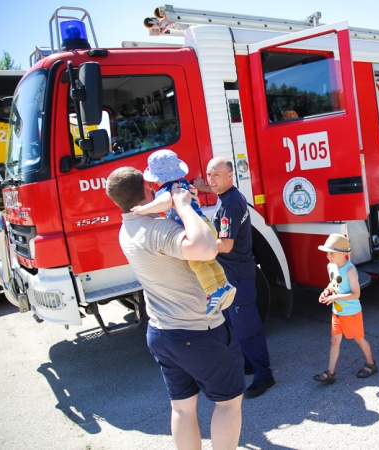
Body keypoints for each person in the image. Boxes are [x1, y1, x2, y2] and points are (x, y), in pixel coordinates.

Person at [106, 167, 244, 449]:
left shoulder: (127, 229)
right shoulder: (158, 230)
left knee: (182, 408)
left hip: (161, 332)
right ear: (147, 188)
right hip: (198, 332)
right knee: (228, 404)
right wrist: (183, 206)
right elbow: (206, 248)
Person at [195, 157, 276, 398]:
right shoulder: (230, 195)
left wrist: (199, 244)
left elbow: (226, 245)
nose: (212, 180)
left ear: (230, 176)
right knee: (233, 325)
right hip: (230, 275)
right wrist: (203, 187)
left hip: (237, 277)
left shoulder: (230, 205)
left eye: (216, 176)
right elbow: (217, 188)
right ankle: (249, 363)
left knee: (247, 329)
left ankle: (265, 376)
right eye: (209, 175)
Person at [132, 149, 236, 316]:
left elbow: (164, 203)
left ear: (155, 179)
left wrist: (144, 209)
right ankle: (224, 285)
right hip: (206, 224)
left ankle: (213, 292)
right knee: (210, 260)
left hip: (193, 229)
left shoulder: (167, 189)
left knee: (197, 263)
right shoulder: (183, 183)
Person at [313, 234, 377, 383]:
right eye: (327, 253)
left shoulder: (350, 270)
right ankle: (330, 373)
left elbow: (356, 293)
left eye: (331, 253)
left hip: (351, 313)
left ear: (343, 254)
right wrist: (327, 291)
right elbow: (333, 284)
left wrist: (335, 298)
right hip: (337, 312)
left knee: (359, 340)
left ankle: (371, 364)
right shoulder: (331, 266)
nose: (328, 256)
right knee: (335, 340)